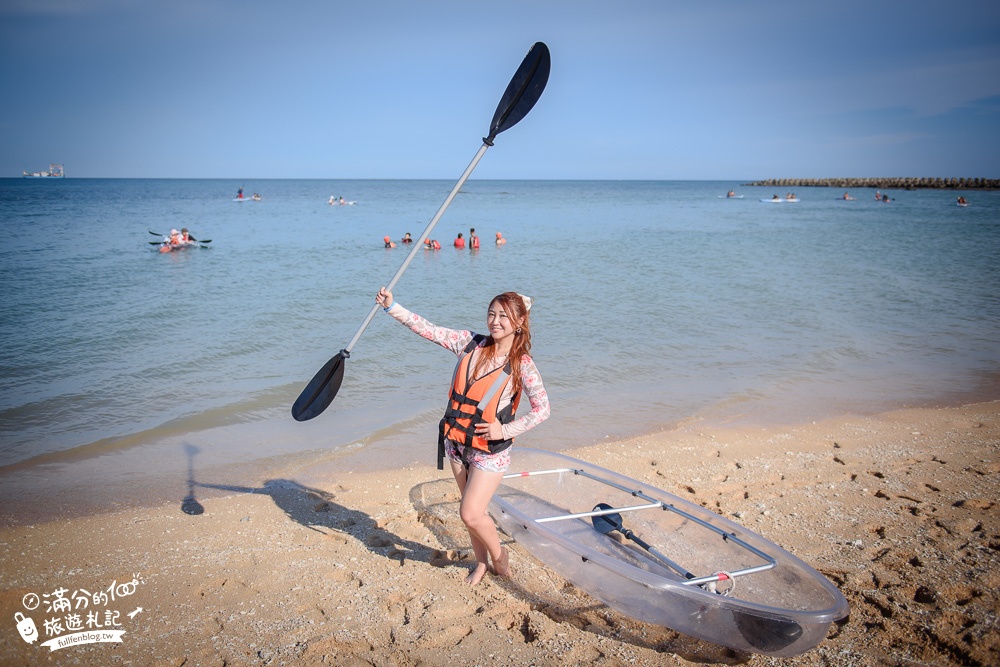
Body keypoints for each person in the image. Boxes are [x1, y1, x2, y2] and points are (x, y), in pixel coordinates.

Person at [374, 288, 550, 585]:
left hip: (489, 450)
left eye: (503, 316)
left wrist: (504, 429)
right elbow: (427, 328)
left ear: (519, 322)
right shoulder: (469, 343)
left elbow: (543, 409)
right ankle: (481, 563)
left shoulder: (522, 364)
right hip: (455, 442)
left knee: (469, 513)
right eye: (492, 314)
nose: (495, 321)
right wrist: (392, 307)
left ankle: (499, 557)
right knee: (473, 513)